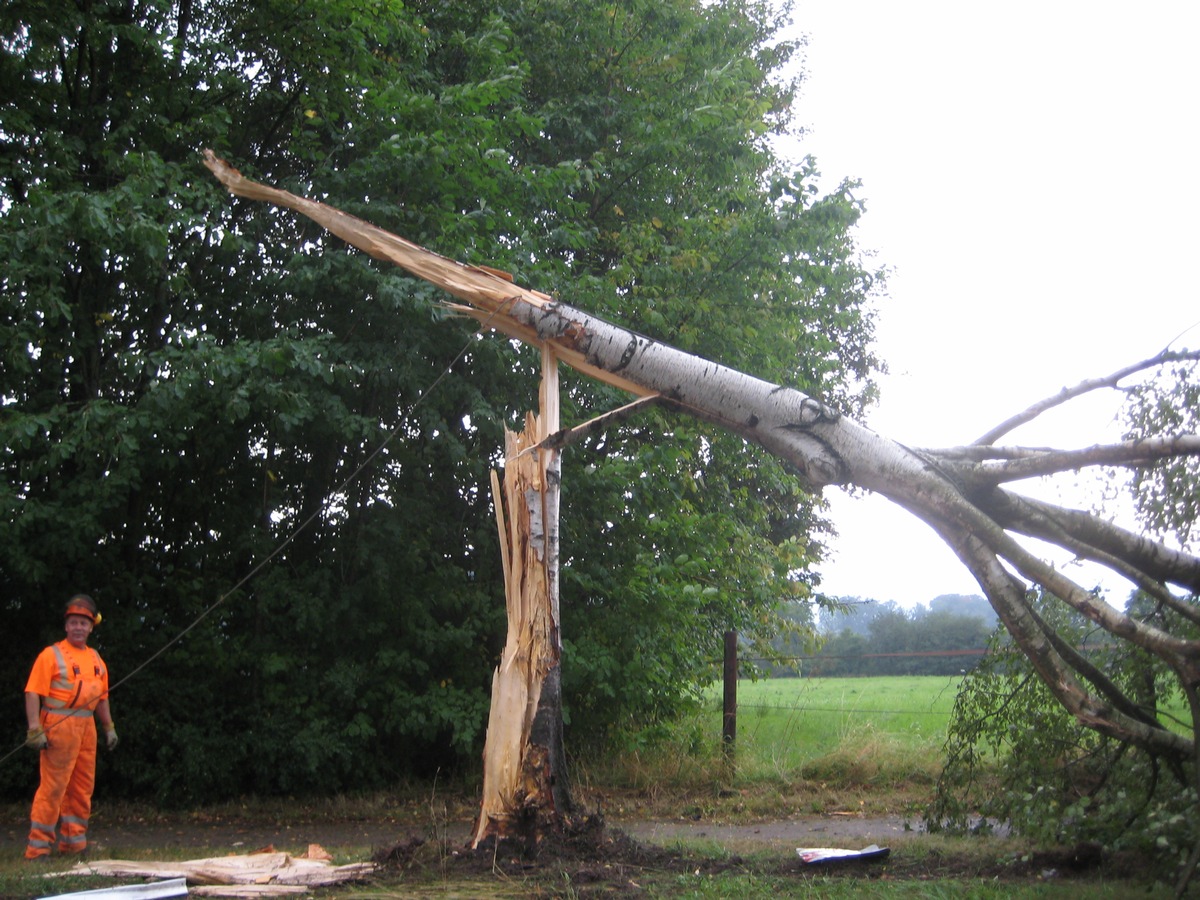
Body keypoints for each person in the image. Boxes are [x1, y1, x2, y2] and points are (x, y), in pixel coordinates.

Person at [23, 594, 119, 860]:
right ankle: (38, 847)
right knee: (53, 786)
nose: (78, 627)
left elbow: (102, 697)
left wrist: (108, 727)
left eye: (83, 623)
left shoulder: (97, 659)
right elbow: (33, 691)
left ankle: (74, 843)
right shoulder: (51, 655)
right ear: (66, 626)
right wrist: (34, 728)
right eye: (74, 623)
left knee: (82, 787)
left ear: (91, 628)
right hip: (58, 724)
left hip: (86, 726)